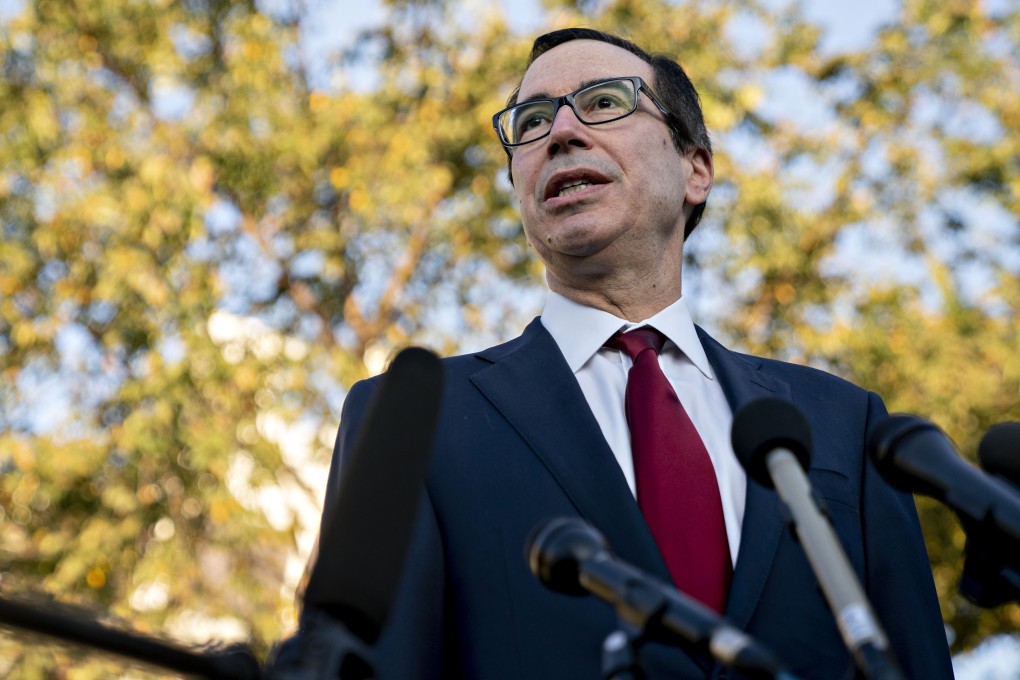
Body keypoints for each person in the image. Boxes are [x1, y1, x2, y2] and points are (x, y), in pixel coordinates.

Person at [324, 27, 954, 679]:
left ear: (695, 169)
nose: (561, 132)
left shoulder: (845, 428)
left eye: (603, 103)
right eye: (532, 120)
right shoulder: (410, 421)